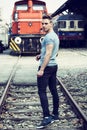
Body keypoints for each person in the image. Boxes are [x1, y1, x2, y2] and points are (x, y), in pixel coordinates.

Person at [36, 15, 60, 129]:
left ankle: (46, 117)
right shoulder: (55, 36)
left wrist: (41, 69)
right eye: (42, 23)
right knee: (53, 90)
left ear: (51, 24)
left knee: (41, 91)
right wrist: (41, 55)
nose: (43, 25)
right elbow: (55, 52)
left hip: (47, 67)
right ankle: (55, 115)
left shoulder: (48, 37)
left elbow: (49, 53)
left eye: (46, 23)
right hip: (54, 66)